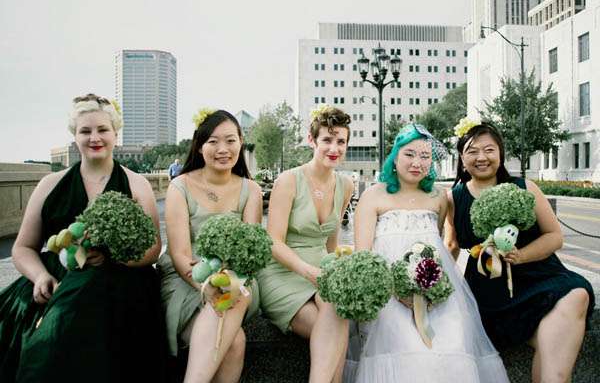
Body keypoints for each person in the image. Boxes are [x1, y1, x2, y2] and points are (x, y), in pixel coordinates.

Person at [0, 93, 166, 383]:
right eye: (85, 131)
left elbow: (153, 249)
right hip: (58, 276)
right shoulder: (50, 184)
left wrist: (113, 257)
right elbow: (23, 248)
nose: (94, 138)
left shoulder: (137, 184)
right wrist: (40, 276)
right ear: (74, 136)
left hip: (120, 280)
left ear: (115, 133)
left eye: (102, 129)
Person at [348, 124, 509, 383]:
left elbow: (440, 248)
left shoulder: (438, 197)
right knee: (404, 341)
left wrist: (432, 289)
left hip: (435, 293)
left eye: (425, 156)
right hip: (386, 292)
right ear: (395, 156)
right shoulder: (373, 195)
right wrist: (397, 290)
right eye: (409, 154)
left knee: (453, 336)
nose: (417, 163)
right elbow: (363, 257)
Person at [445, 120, 594, 383]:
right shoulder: (453, 198)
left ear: (500, 153)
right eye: (472, 151)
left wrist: (521, 255)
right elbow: (451, 246)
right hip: (489, 287)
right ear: (462, 158)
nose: (481, 157)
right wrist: (438, 289)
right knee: (552, 346)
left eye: (489, 150)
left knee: (577, 293)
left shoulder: (524, 188)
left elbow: (554, 236)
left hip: (540, 277)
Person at [156, 109, 262, 383]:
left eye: (230, 140)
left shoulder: (251, 190)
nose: (223, 149)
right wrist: (205, 286)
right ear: (200, 146)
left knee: (234, 288)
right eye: (213, 141)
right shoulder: (180, 186)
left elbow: (251, 251)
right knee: (235, 342)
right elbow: (180, 254)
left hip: (237, 277)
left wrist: (225, 281)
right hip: (186, 278)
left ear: (240, 143)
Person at [257, 105, 354, 383]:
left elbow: (332, 243)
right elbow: (273, 241)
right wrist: (309, 272)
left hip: (320, 270)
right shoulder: (289, 180)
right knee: (336, 328)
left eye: (341, 141)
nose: (334, 148)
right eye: (327, 140)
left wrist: (338, 272)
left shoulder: (346, 185)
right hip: (283, 271)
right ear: (312, 140)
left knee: (336, 311)